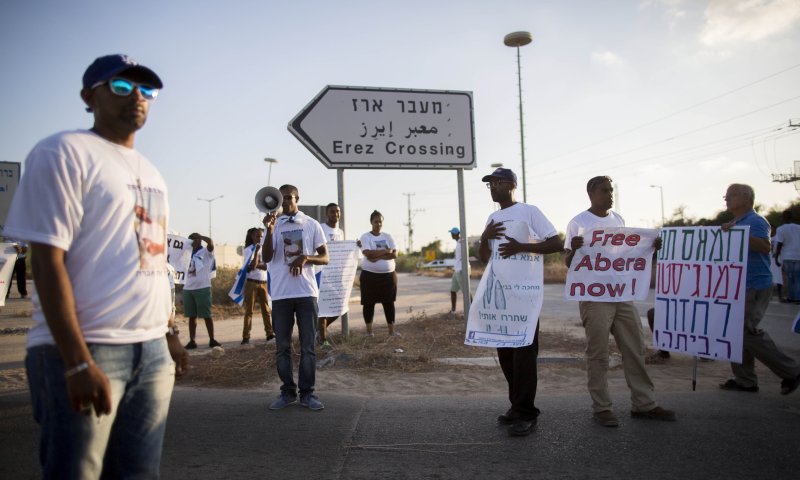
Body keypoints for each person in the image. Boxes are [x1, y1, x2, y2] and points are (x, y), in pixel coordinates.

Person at [3, 53, 188, 478]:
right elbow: (46, 262)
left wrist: (169, 334)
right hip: (87, 347)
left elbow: (152, 260)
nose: (136, 96)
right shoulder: (63, 152)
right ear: (90, 96)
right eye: (121, 87)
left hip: (153, 353)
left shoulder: (151, 172)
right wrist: (77, 362)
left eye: (146, 90)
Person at [564, 175, 675, 427]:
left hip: (622, 294)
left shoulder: (618, 220)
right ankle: (602, 407)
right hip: (595, 297)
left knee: (635, 349)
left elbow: (626, 254)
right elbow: (568, 262)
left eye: (611, 190)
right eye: (605, 190)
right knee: (598, 353)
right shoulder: (578, 222)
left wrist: (650, 248)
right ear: (591, 192)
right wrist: (575, 249)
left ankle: (644, 404)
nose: (610, 194)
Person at [478, 167, 563, 437]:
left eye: (498, 182)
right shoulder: (493, 217)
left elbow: (556, 243)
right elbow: (484, 258)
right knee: (505, 353)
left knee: (524, 354)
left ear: (512, 185)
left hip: (525, 295)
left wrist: (521, 247)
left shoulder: (529, 211)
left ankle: (527, 413)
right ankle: (516, 405)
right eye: (490, 184)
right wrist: (485, 236)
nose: (493, 187)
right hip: (501, 296)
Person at [719, 184, 800, 394]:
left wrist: (736, 233)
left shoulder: (755, 221)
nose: (726, 200)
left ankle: (791, 371)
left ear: (745, 198)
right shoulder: (737, 222)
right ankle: (745, 380)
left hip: (755, 284)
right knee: (737, 332)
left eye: (730, 196)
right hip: (740, 285)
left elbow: (765, 246)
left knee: (747, 331)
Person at [262, 184, 329, 411]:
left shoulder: (311, 224)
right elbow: (267, 257)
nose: (286, 202)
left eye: (289, 198)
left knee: (308, 346)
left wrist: (305, 258)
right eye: (282, 199)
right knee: (282, 347)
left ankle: (307, 393)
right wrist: (270, 231)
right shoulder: (273, 225)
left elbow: (325, 257)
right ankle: (287, 392)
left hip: (306, 293)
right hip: (280, 294)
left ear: (297, 198)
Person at [359, 210, 400, 337]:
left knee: (389, 303)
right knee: (368, 304)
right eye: (375, 221)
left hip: (388, 276)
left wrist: (376, 256)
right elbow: (367, 253)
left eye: (380, 222)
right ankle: (369, 332)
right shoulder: (366, 237)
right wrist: (385, 250)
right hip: (369, 276)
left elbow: (394, 254)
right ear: (371, 222)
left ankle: (391, 331)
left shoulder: (388, 236)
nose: (378, 224)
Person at [183, 233, 221, 349]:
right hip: (188, 288)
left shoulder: (206, 252)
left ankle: (212, 339)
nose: (194, 242)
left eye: (196, 239)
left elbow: (210, 242)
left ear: (200, 240)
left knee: (207, 315)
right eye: (192, 240)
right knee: (191, 316)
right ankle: (192, 341)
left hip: (203, 287)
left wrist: (200, 236)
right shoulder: (186, 254)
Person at [240, 227, 275, 345]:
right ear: (252, 237)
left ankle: (269, 333)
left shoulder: (266, 249)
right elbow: (252, 265)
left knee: (266, 310)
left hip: (263, 282)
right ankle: (246, 336)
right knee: (249, 310)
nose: (259, 238)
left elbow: (266, 266)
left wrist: (258, 264)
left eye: (261, 236)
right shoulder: (248, 250)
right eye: (257, 236)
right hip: (251, 282)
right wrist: (256, 251)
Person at [318, 203, 344, 347]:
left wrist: (355, 245)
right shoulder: (321, 228)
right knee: (323, 307)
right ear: (327, 214)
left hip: (336, 274)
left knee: (340, 306)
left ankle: (318, 330)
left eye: (337, 212)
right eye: (332, 212)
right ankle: (322, 340)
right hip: (322, 272)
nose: (335, 214)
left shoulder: (340, 232)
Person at [774, 210, 800, 303]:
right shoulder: (798, 227)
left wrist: (776, 257)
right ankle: (797, 298)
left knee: (790, 278)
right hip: (798, 256)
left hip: (788, 256)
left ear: (783, 218)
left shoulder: (780, 229)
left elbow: (779, 244)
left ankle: (792, 297)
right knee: (798, 278)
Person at [448, 227, 470, 319]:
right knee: (453, 291)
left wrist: (465, 268)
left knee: (466, 292)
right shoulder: (458, 242)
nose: (451, 235)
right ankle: (453, 311)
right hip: (457, 270)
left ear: (455, 234)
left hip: (462, 270)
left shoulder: (462, 242)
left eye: (452, 233)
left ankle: (471, 311)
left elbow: (465, 255)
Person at [770, 223, 785, 302]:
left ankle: (780, 296)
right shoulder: (766, 237)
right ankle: (770, 296)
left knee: (779, 278)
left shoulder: (777, 238)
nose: (771, 230)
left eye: (772, 228)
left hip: (776, 259)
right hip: (768, 259)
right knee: (769, 278)